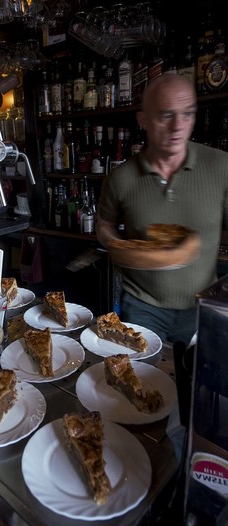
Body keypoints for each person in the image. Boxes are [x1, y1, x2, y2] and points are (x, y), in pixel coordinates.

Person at [95, 73, 228, 344]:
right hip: (142, 306)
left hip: (203, 307)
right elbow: (104, 225)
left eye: (187, 114)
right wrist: (117, 247)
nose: (178, 126)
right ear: (143, 120)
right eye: (166, 116)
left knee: (195, 384)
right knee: (139, 383)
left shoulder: (222, 166)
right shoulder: (122, 177)